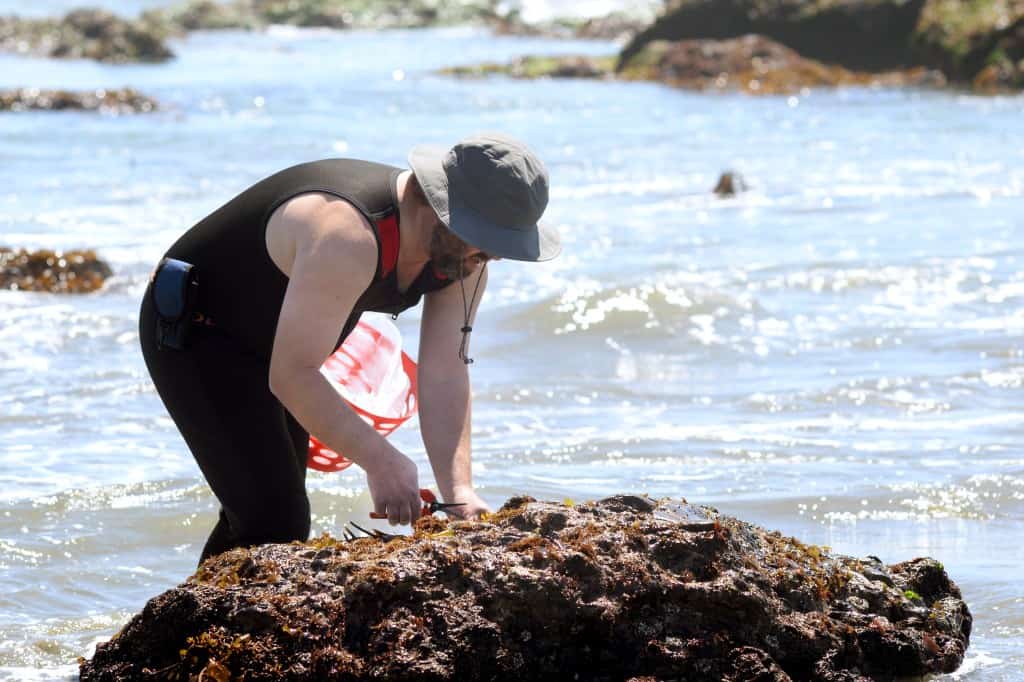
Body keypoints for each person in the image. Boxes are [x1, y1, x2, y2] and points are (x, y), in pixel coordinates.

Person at [139, 133, 560, 564]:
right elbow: (292, 374)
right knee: (273, 518)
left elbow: (445, 371)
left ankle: (194, 619)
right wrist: (380, 460)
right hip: (198, 329)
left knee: (270, 517)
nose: (494, 257)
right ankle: (186, 628)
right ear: (443, 211)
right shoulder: (348, 234)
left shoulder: (467, 258)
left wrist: (459, 494)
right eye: (488, 240)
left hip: (284, 343)